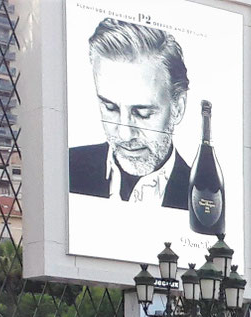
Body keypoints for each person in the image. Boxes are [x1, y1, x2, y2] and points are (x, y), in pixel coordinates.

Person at [69, 18, 193, 208]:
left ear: (178, 108)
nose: (125, 134)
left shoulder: (205, 198)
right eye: (110, 108)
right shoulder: (65, 167)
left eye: (143, 113)